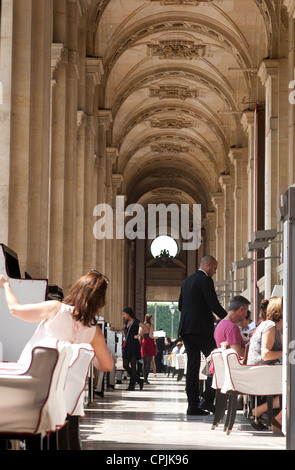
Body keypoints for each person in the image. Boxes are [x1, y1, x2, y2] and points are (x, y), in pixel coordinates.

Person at [0, 270, 114, 372]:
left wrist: (6, 285)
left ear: (77, 289)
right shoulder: (94, 331)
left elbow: (15, 310)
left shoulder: (56, 309)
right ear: (100, 302)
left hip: (29, 376)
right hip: (59, 388)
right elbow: (107, 366)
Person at [178, 255, 227, 415]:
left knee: (192, 366)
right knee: (217, 359)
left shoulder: (187, 281)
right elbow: (213, 304)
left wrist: (204, 312)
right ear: (208, 264)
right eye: (214, 268)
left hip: (186, 328)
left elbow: (181, 306)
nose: (214, 272)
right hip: (200, 329)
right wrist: (229, 319)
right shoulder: (205, 280)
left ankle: (192, 406)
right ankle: (206, 398)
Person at [247, 297, 283, 433]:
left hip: (261, 371)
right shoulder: (270, 326)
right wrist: (285, 352)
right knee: (291, 386)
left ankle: (277, 418)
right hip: (260, 372)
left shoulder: (273, 326)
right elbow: (266, 355)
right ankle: (263, 413)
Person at [121, 307, 144, 390]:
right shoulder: (127, 322)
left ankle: (132, 385)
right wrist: (112, 328)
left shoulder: (136, 321)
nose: (123, 316)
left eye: (124, 314)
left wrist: (138, 335)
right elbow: (121, 328)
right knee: (125, 365)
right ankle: (138, 380)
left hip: (133, 344)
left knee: (133, 365)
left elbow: (146, 328)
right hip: (127, 344)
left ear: (128, 314)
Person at [138, 313, 157, 384]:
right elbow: (150, 336)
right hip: (149, 343)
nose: (153, 320)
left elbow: (140, 337)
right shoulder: (151, 326)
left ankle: (144, 377)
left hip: (144, 343)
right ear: (149, 319)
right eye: (152, 318)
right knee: (148, 362)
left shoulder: (142, 326)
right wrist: (156, 337)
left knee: (145, 361)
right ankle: (146, 378)